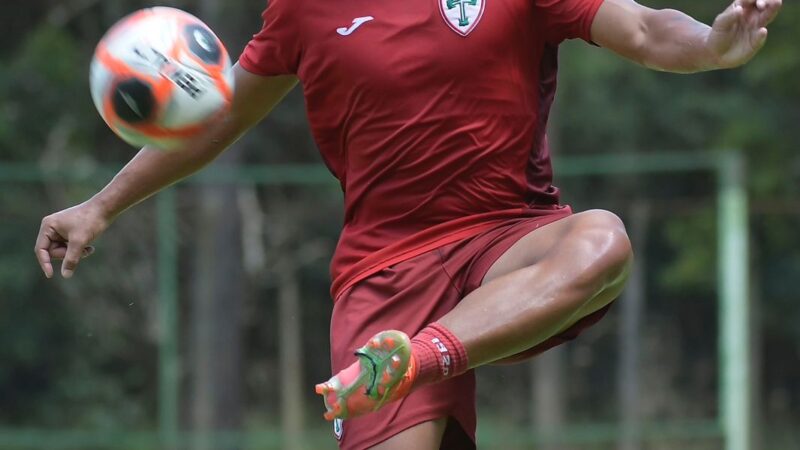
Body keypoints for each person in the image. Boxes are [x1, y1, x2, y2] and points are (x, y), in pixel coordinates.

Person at [35, 0, 781, 448]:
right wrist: (100, 205)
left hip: (506, 239)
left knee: (603, 239)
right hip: (383, 277)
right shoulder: (303, 9)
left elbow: (645, 29)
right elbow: (218, 117)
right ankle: (402, 359)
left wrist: (714, 45)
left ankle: (416, 360)